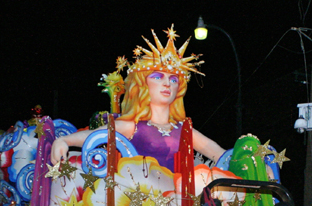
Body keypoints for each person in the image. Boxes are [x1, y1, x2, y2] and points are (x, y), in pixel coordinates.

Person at [50, 26, 225, 172]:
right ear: (142, 84)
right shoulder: (132, 126)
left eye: (173, 79)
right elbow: (94, 136)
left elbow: (221, 155)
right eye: (157, 77)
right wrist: (64, 140)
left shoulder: (185, 131)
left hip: (178, 204)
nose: (167, 84)